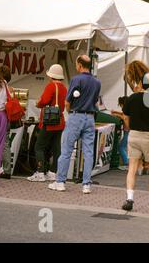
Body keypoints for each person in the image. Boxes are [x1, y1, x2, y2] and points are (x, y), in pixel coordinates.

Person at [48, 55, 101, 194]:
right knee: (88, 152)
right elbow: (95, 101)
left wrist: (70, 113)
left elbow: (67, 102)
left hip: (76, 115)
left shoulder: (76, 79)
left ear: (79, 64)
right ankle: (86, 185)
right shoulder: (97, 82)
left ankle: (60, 182)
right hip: (90, 117)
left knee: (66, 149)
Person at [121, 61, 149, 211]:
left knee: (132, 167)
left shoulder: (132, 98)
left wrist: (129, 128)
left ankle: (129, 199)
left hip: (134, 135)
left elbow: (125, 117)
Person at [28, 64, 67, 182]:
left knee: (39, 146)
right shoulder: (64, 88)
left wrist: (37, 103)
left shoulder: (51, 86)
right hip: (59, 121)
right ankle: (53, 172)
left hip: (49, 121)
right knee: (56, 148)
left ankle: (40, 172)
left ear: (51, 75)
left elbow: (43, 101)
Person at [0, 65, 13, 179]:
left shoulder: (0, 85)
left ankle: (0, 169)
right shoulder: (8, 87)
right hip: (7, 117)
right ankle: (7, 170)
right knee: (6, 143)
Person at [111, 96, 129, 171]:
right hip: (129, 132)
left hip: (128, 131)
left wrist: (116, 114)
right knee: (123, 147)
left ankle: (127, 164)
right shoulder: (129, 109)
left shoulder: (127, 109)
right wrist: (115, 112)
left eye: (120, 105)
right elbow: (123, 114)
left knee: (121, 147)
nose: (120, 106)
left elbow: (124, 118)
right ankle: (127, 163)